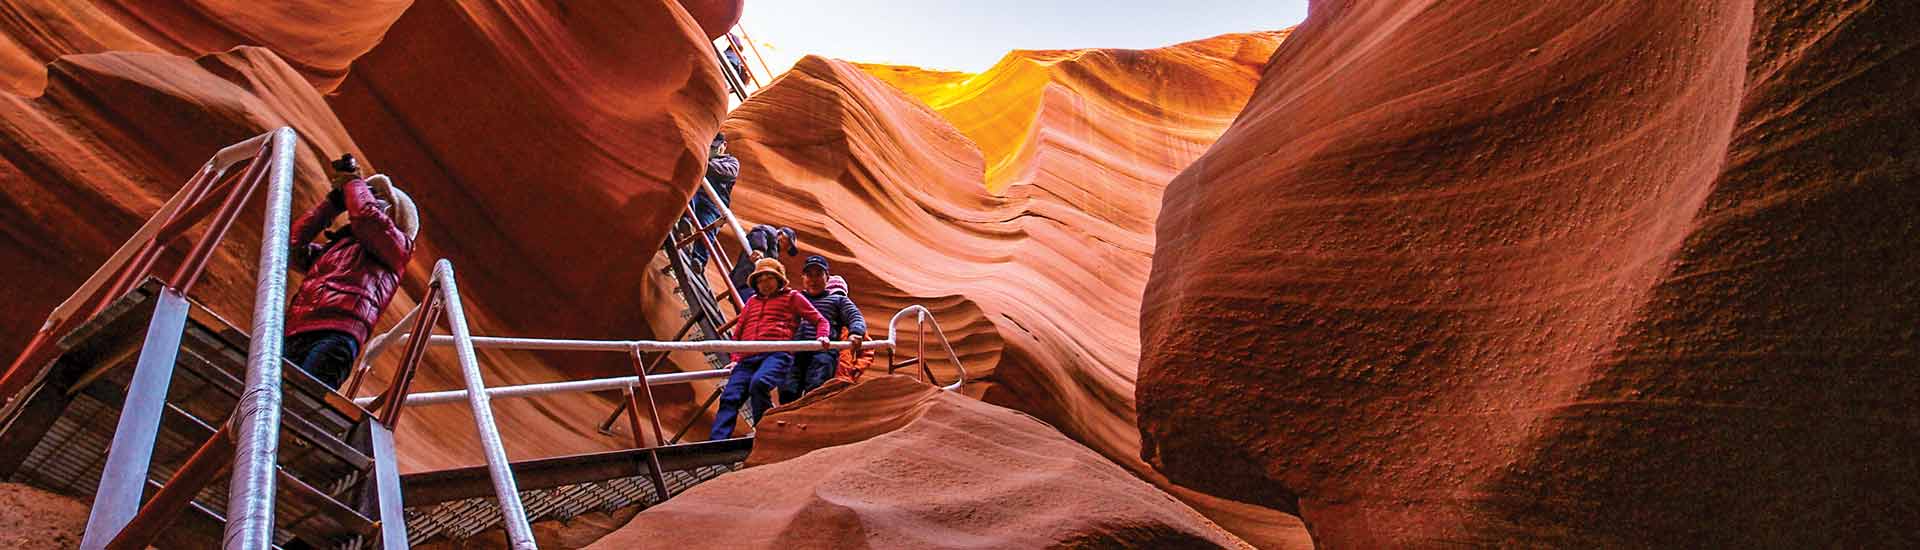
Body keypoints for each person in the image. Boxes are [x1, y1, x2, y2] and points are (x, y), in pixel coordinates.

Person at [284, 154, 418, 390]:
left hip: (335, 335)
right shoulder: (337, 248)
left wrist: (353, 183)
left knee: (297, 403)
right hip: (296, 331)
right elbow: (289, 247)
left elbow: (367, 217)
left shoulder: (398, 247)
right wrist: (332, 204)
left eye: (378, 197)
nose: (370, 199)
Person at [709, 258, 831, 439]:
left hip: (776, 354)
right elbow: (739, 333)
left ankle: (764, 434)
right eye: (760, 280)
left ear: (779, 279)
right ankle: (716, 442)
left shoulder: (792, 297)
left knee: (759, 383)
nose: (764, 283)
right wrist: (735, 359)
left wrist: (822, 336)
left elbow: (820, 320)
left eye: (769, 278)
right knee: (730, 396)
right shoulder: (751, 302)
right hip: (747, 357)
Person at [783, 256, 866, 401]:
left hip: (823, 352)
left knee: (816, 390)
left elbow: (855, 317)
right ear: (803, 278)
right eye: (809, 275)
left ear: (827, 277)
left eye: (818, 275)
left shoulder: (838, 300)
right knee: (788, 391)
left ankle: (810, 422)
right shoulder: (794, 298)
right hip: (793, 352)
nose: (813, 279)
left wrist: (856, 333)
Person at [685, 133, 739, 272]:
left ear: (724, 146)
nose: (713, 150)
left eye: (715, 147)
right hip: (697, 192)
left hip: (715, 202)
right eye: (711, 147)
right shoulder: (705, 154)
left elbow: (726, 172)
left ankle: (699, 260)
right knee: (687, 196)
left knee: (708, 226)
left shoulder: (731, 162)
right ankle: (684, 222)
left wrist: (703, 162)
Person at [727, 224, 797, 303]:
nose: (786, 247)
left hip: (752, 285)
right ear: (781, 234)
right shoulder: (771, 232)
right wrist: (759, 248)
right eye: (788, 242)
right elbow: (760, 231)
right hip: (747, 282)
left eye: (788, 247)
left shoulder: (773, 253)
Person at [828, 276, 876, 383]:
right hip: (819, 377)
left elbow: (868, 348)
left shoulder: (853, 325)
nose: (837, 300)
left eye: (841, 296)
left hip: (844, 377)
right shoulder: (819, 320)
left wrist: (857, 368)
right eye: (833, 296)